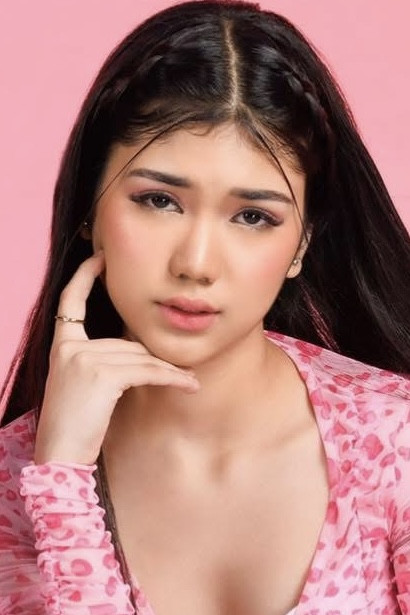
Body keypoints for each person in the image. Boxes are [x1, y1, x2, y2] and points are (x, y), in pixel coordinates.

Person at [1, 0, 410, 613]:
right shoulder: (19, 480)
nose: (196, 263)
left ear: (302, 243)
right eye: (159, 201)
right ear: (90, 208)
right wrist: (61, 482)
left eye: (253, 216)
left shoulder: (394, 442)